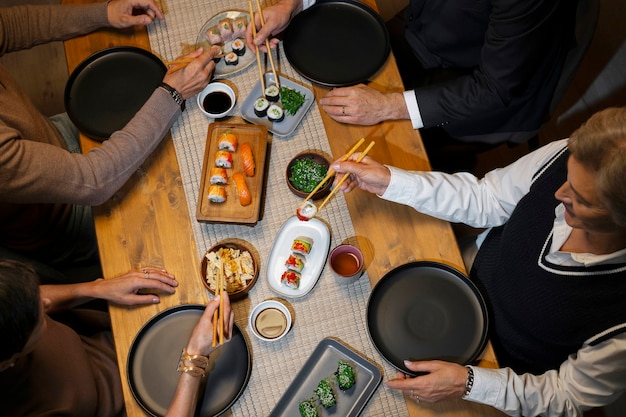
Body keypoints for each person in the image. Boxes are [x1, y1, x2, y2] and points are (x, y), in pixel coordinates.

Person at [329, 107, 626, 416]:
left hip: (499, 372)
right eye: (568, 176)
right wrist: (389, 181)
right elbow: (488, 198)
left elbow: (567, 396)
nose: (559, 192)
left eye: (581, 199)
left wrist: (469, 384)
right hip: (459, 275)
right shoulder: (568, 156)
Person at [0, 0, 220, 283]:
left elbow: (9, 26)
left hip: (51, 139)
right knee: (178, 222)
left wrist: (103, 13)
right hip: (66, 214)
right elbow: (93, 180)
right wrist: (174, 94)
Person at [247, 0, 580, 169]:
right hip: (427, 29)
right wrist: (293, 3)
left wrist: (387, 105)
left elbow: (495, 88)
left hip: (483, 85)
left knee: (375, 153)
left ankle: (447, 163)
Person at [0, 259, 233, 417]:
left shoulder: (13, 314)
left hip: (120, 344)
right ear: (8, 360)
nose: (46, 303)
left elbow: (32, 298)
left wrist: (95, 288)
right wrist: (195, 358)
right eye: (39, 315)